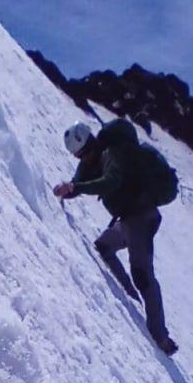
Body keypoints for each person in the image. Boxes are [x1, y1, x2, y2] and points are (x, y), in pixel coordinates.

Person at [53, 119, 178, 355]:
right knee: (103, 246)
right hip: (129, 219)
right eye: (79, 156)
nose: (82, 159)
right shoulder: (97, 157)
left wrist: (76, 188)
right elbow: (79, 182)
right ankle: (130, 295)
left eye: (83, 154)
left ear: (90, 146)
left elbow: (111, 182)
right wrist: (70, 189)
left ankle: (161, 338)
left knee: (143, 275)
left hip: (141, 218)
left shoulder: (111, 154)